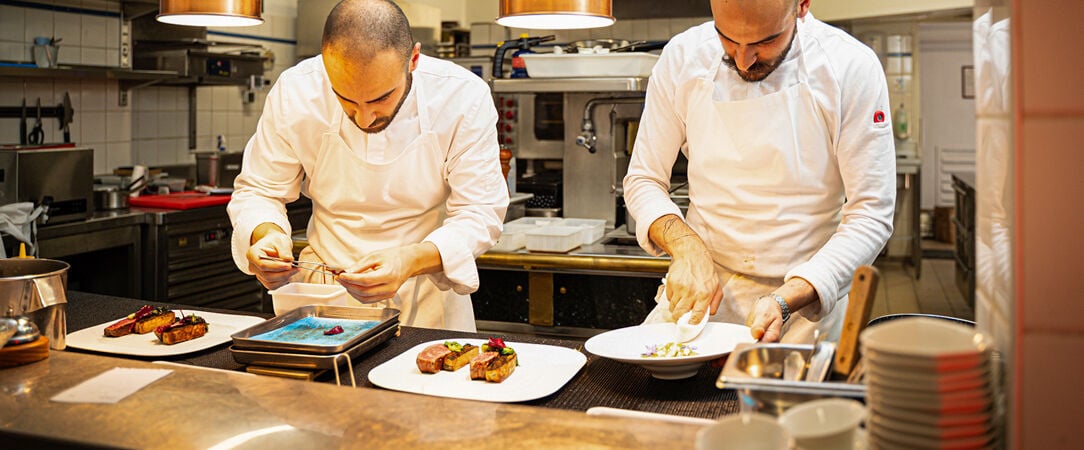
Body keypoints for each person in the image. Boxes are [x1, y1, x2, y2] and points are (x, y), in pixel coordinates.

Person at [623, 0, 895, 344]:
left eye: (764, 42)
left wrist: (787, 298)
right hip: (703, 297)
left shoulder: (850, 66)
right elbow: (644, 179)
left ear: (802, 6)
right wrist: (687, 248)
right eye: (728, 39)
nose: (742, 59)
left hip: (805, 303)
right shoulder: (682, 57)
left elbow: (872, 213)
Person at [228, 0, 508, 331]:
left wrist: (408, 260)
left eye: (380, 99)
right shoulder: (296, 91)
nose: (364, 117)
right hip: (323, 299)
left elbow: (480, 212)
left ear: (413, 60)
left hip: (426, 298)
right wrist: (266, 235)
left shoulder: (461, 96)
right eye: (345, 98)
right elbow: (259, 190)